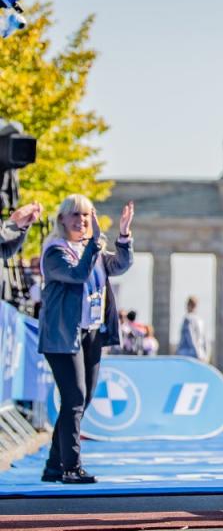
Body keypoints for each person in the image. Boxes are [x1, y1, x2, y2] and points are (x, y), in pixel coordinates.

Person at [38, 195, 134, 484]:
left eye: (87, 215)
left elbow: (119, 265)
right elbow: (77, 275)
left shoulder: (92, 250)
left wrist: (124, 235)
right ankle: (71, 467)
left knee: (82, 399)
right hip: (62, 335)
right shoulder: (56, 252)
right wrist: (94, 244)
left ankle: (54, 465)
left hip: (90, 332)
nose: (82, 221)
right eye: (76, 216)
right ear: (62, 220)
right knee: (74, 397)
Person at [176, 296, 208, 362]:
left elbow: (190, 338)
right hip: (201, 354)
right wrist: (205, 355)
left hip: (188, 355)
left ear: (189, 305)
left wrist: (196, 354)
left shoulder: (187, 319)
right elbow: (205, 340)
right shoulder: (200, 320)